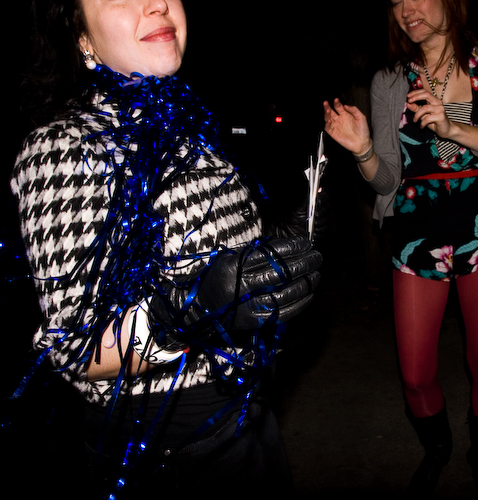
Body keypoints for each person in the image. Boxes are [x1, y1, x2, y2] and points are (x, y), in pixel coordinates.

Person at [10, 0, 322, 498]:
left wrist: (281, 251)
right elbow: (73, 348)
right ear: (82, 37)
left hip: (246, 416)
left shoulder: (189, 127)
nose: (156, 3)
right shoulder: (65, 146)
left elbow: (225, 265)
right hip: (165, 451)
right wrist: (191, 309)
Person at [323, 0, 478, 495]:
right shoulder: (390, 81)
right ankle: (438, 448)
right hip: (416, 232)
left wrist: (453, 129)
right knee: (414, 373)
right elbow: (387, 178)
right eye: (396, 1)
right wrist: (363, 150)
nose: (407, 9)